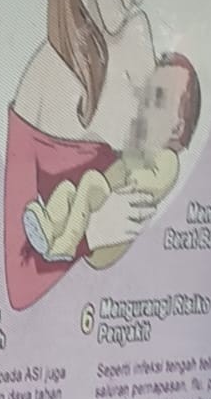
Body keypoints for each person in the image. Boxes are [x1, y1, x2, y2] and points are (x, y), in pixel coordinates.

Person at [5, 0, 157, 310]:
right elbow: (19, 280)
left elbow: (155, 163)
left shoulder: (138, 46)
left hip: (128, 309)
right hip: (56, 324)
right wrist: (92, 233)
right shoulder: (38, 85)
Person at [23, 54, 201, 267]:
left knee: (90, 182)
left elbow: (154, 183)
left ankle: (66, 245)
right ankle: (48, 227)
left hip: (113, 231)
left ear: (177, 128)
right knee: (67, 191)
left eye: (158, 100)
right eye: (146, 95)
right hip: (102, 205)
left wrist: (133, 173)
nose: (145, 105)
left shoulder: (167, 159)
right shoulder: (140, 148)